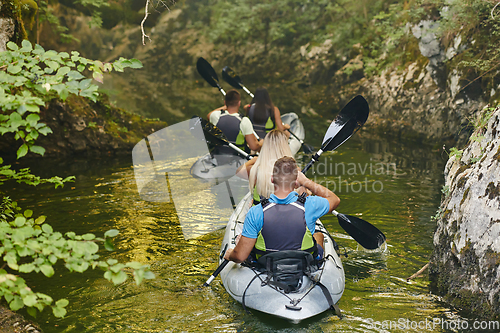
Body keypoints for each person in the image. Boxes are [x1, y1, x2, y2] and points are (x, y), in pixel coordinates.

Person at [224, 156, 340, 263]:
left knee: (244, 241)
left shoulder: (256, 211)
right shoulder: (311, 205)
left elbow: (239, 257)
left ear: (272, 179)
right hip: (303, 261)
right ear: (296, 183)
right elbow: (334, 199)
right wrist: (306, 182)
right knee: (318, 235)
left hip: (266, 263)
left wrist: (230, 254)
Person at [236, 129, 293, 205]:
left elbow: (239, 172)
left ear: (265, 147)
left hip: (259, 214)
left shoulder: (256, 170)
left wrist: (255, 160)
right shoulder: (294, 170)